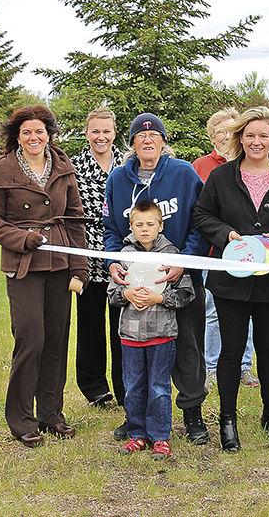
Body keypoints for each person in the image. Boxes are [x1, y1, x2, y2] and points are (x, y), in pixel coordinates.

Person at [193, 106, 269, 450]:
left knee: (267, 348)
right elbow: (202, 215)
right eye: (250, 135)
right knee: (231, 350)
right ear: (240, 138)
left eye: (263, 135)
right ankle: (227, 420)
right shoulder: (222, 177)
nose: (256, 142)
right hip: (230, 280)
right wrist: (227, 235)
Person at [0, 105, 88, 447]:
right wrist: (22, 238)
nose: (33, 137)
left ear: (49, 134)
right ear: (17, 136)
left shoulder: (63, 166)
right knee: (30, 338)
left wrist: (79, 266)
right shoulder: (2, 168)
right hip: (24, 264)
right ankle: (21, 420)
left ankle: (51, 414)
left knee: (56, 340)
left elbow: (74, 219)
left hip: (59, 262)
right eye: (26, 131)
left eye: (39, 131)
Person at [104, 112, 210, 444]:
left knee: (188, 348)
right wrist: (114, 263)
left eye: (154, 135)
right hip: (135, 284)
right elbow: (110, 229)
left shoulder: (183, 173)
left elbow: (201, 222)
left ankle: (192, 413)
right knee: (133, 352)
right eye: (140, 136)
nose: (147, 140)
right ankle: (134, 417)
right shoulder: (118, 179)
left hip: (177, 279)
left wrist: (184, 262)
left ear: (163, 142)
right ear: (132, 143)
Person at [108, 201, 195, 460]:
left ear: (161, 226)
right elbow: (112, 293)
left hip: (162, 334)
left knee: (159, 387)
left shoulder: (172, 256)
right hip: (130, 335)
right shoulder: (124, 256)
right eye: (139, 225)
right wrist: (126, 293)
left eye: (150, 224)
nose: (144, 229)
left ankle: (160, 437)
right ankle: (137, 434)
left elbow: (186, 293)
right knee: (133, 386)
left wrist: (160, 298)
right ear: (131, 226)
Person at [193, 108, 258, 390]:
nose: (226, 136)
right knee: (212, 311)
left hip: (247, 252)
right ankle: (211, 366)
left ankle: (244, 366)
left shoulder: (251, 164)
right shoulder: (200, 166)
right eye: (221, 132)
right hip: (213, 254)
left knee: (248, 310)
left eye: (231, 131)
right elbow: (199, 211)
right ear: (212, 137)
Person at [70, 107, 124, 408]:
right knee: (90, 324)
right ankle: (94, 387)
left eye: (106, 131)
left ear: (114, 133)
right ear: (87, 133)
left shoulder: (127, 163)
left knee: (122, 324)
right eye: (95, 131)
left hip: (121, 254)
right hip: (87, 254)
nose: (101, 137)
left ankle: (125, 385)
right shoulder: (74, 166)